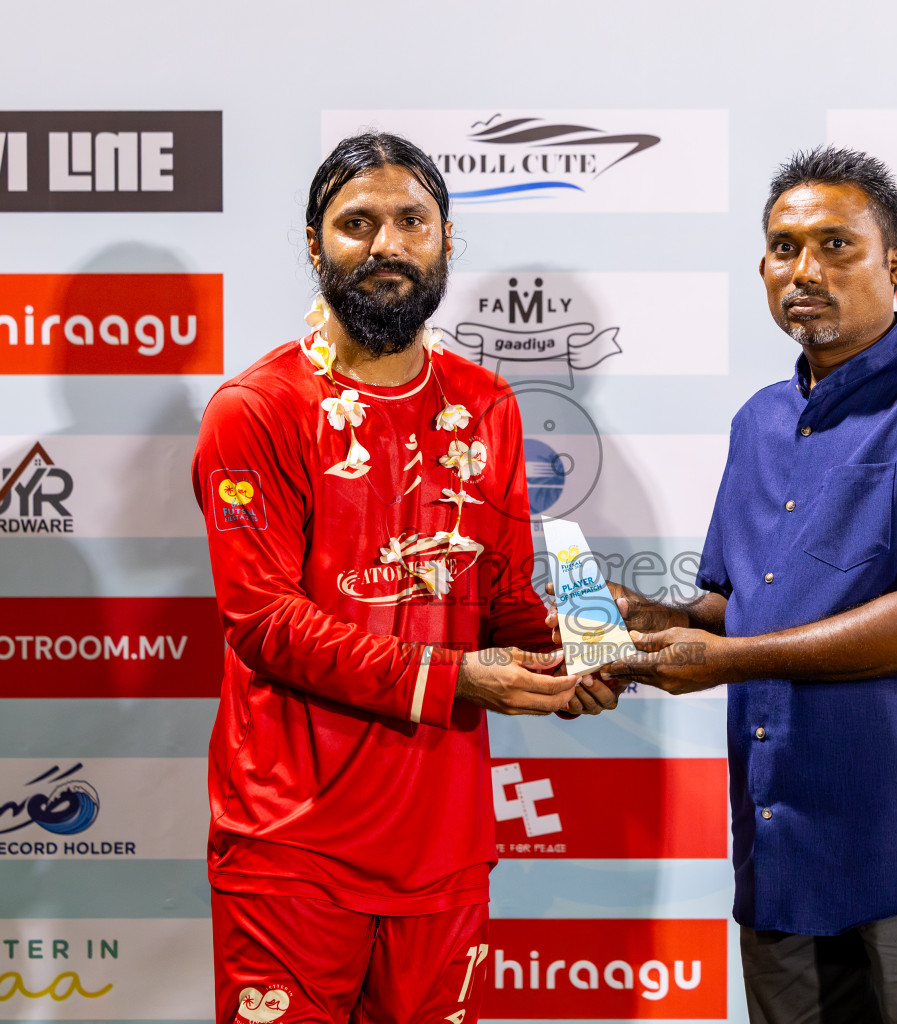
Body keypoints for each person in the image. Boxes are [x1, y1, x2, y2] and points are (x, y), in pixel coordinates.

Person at [191, 132, 618, 1024]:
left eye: (411, 221)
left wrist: (586, 655)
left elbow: (503, 603)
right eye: (357, 223)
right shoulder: (256, 410)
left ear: (446, 240)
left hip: (443, 849)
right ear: (315, 245)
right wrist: (457, 679)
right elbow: (264, 621)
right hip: (291, 849)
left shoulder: (488, 406)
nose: (387, 245)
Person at [602, 147, 897, 1023]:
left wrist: (723, 661)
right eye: (784, 248)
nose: (805, 271)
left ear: (896, 265)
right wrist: (653, 620)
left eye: (837, 245)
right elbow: (733, 606)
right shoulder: (758, 420)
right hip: (779, 850)